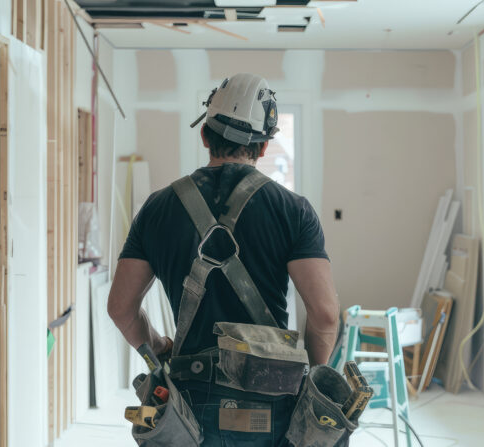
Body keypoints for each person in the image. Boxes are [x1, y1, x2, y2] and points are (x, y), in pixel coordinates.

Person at [108, 73, 341, 446]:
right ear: (263, 148)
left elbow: (120, 308)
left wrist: (159, 349)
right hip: (271, 399)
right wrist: (310, 384)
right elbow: (326, 314)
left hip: (187, 404)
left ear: (204, 136)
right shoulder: (293, 211)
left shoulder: (157, 208)